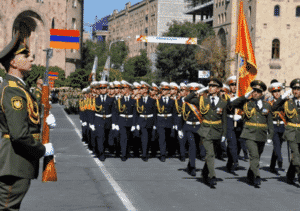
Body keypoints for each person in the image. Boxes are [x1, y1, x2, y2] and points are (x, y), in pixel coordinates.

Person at [0, 28, 54, 210]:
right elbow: (19, 134)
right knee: (8, 207)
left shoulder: (19, 88)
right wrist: (41, 150)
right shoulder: (12, 91)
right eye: (26, 55)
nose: (32, 59)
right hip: (14, 162)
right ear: (14, 62)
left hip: (18, 162)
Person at [185, 77, 227, 188]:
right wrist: (198, 91)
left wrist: (224, 134)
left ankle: (204, 173)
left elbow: (224, 120)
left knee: (211, 154)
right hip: (205, 131)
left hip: (217, 131)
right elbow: (187, 99)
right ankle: (212, 176)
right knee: (210, 153)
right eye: (210, 86)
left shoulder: (223, 102)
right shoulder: (203, 100)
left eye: (214, 86)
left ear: (218, 89)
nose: (211, 88)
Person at [230, 80, 274, 187]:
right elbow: (232, 104)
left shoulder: (267, 105)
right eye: (254, 91)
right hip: (249, 134)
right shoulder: (246, 103)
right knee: (254, 156)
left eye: (258, 91)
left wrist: (270, 135)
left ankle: (250, 175)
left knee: (257, 157)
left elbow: (270, 122)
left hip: (262, 135)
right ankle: (256, 176)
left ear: (262, 93)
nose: (255, 93)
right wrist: (244, 96)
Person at [272, 78, 300, 185]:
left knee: (297, 156)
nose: (296, 91)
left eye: (298, 89)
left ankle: (290, 175)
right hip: (291, 132)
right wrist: (283, 97)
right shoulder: (288, 102)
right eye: (294, 89)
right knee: (296, 155)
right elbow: (274, 107)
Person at [267, 79, 285, 174]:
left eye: (278, 91)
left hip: (282, 127)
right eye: (275, 91)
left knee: (278, 146)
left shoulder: (285, 101)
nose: (277, 93)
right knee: (277, 145)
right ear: (272, 92)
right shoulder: (269, 102)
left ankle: (272, 166)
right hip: (273, 127)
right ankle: (280, 160)